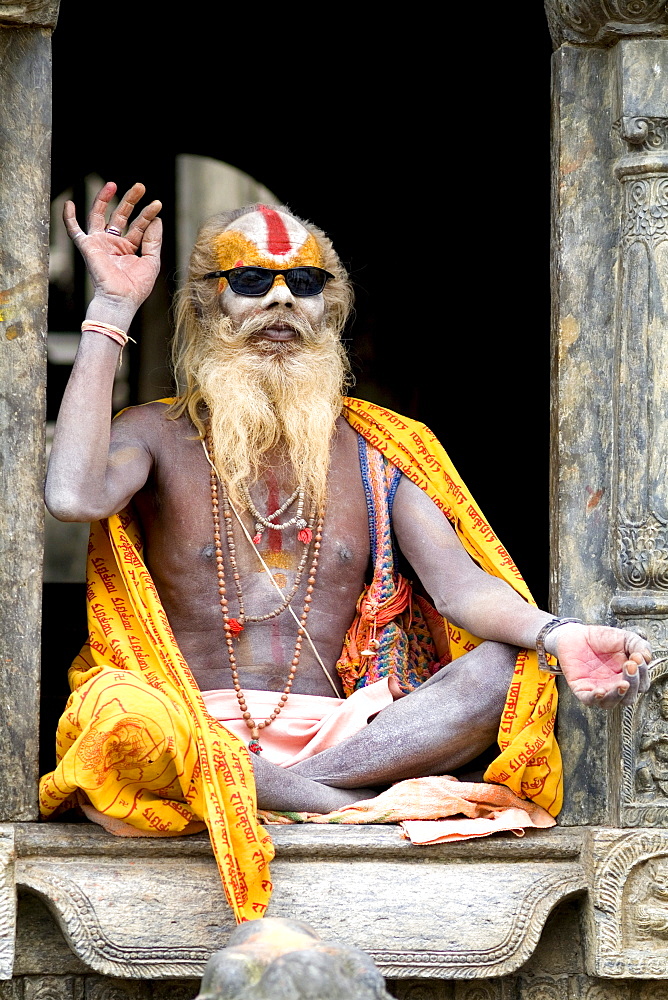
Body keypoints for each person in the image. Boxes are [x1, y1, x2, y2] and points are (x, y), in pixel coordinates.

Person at [41, 181, 652, 921]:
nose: (280, 304)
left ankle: (296, 789)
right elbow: (73, 497)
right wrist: (109, 310)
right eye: (249, 283)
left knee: (510, 666)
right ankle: (345, 804)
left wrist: (563, 632)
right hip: (185, 728)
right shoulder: (153, 434)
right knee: (114, 715)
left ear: (331, 309)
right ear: (207, 306)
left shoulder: (379, 447)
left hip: (354, 736)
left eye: (304, 284)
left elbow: (461, 591)